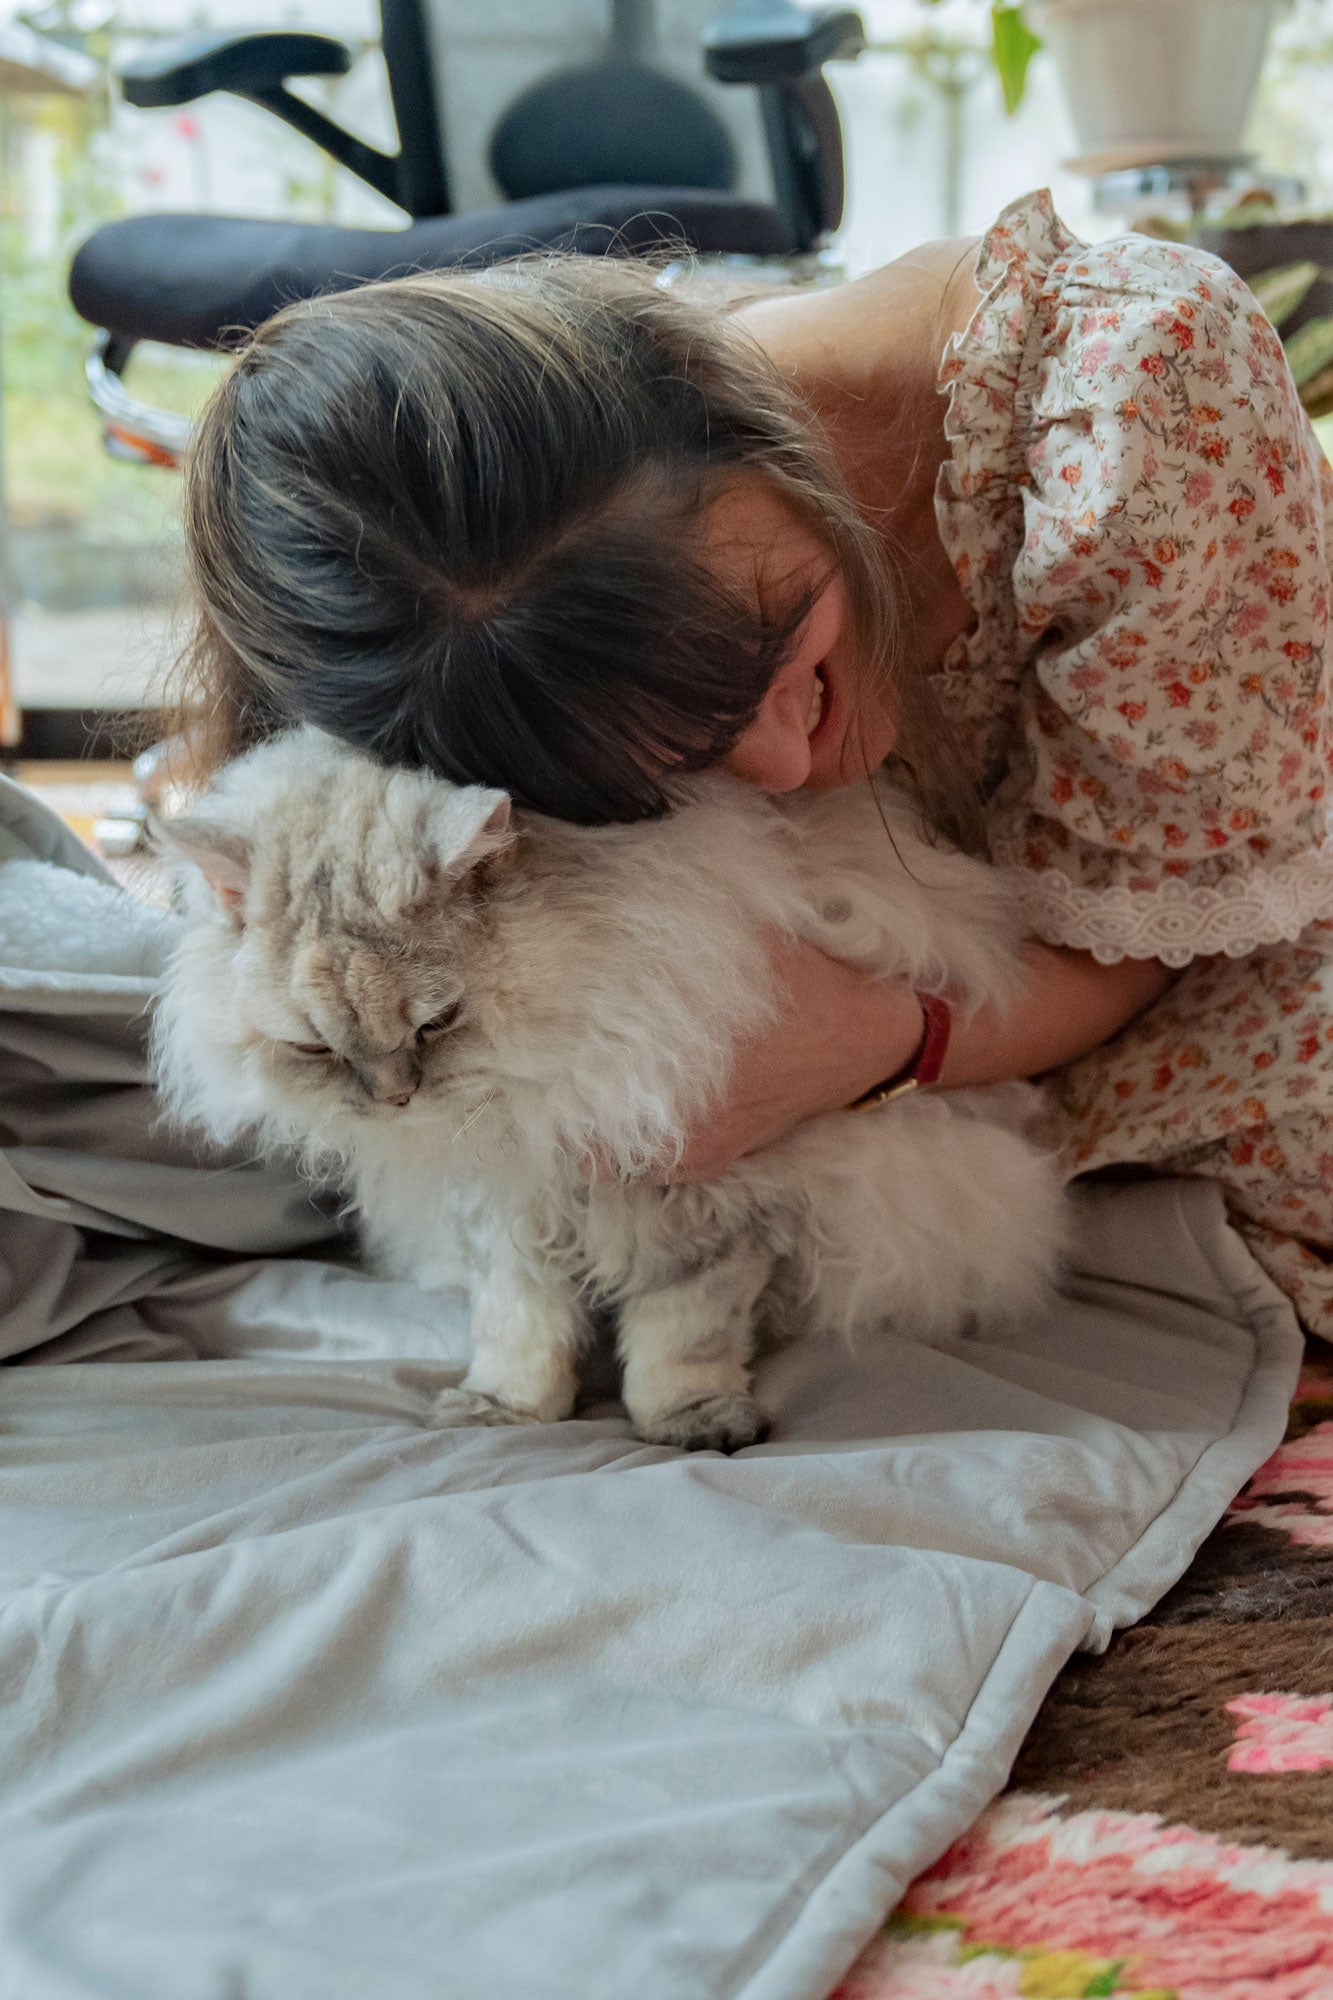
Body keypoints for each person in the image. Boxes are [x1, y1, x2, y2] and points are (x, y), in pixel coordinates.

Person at [173, 188, 1333, 1331]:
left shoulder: (1145, 410)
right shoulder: (454, 667)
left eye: (776, 660)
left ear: (734, 422)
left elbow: (1176, 920)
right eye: (672, 764)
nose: (785, 766)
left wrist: (877, 1041)